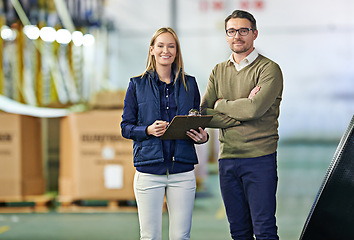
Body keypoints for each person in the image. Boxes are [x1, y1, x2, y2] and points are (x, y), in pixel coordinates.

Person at [200, 10, 283, 240]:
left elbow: (254, 109)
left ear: (254, 34)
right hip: (228, 161)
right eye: (232, 31)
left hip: (260, 159)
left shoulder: (268, 70)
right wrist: (242, 109)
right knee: (238, 232)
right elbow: (203, 112)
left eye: (243, 30)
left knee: (264, 230)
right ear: (226, 36)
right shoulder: (218, 71)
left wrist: (221, 104)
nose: (237, 36)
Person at [121, 27, 208, 240]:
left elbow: (196, 121)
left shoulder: (190, 84)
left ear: (176, 51)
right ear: (152, 49)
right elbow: (126, 127)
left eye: (171, 46)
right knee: (150, 237)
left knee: (181, 237)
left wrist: (202, 137)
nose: (165, 50)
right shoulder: (137, 85)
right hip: (149, 172)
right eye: (160, 45)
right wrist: (147, 130)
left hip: (182, 171)